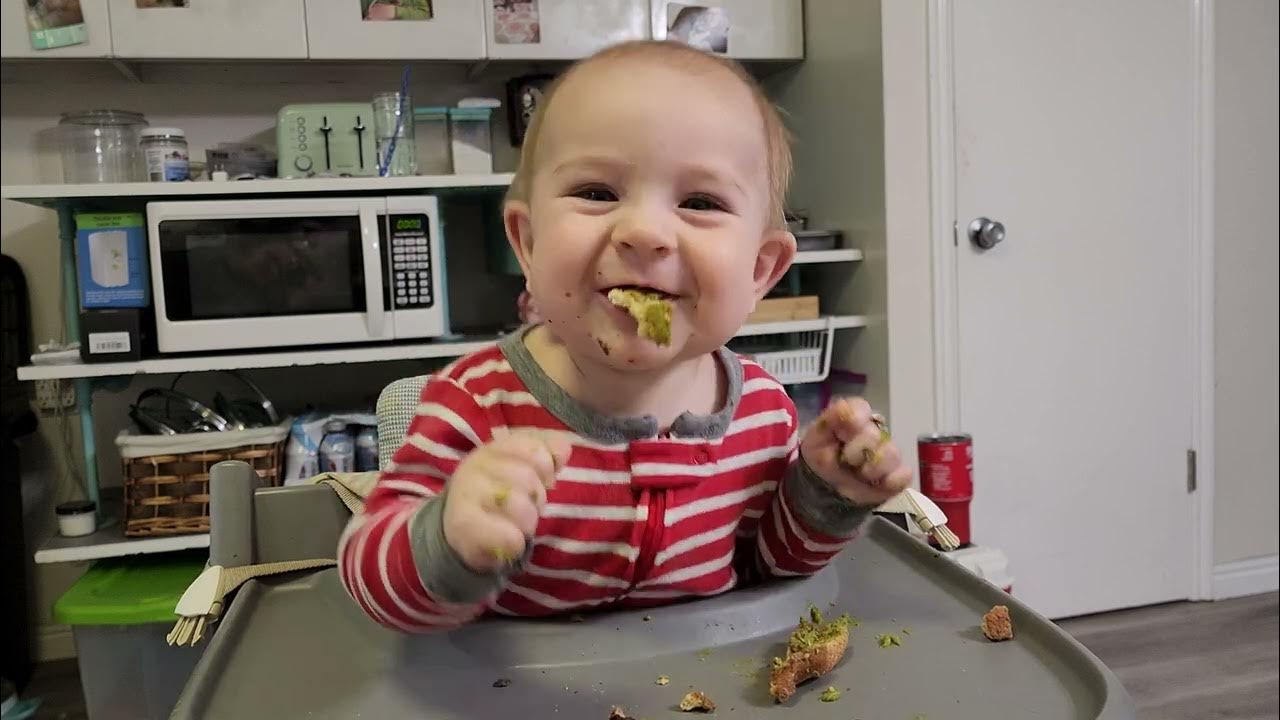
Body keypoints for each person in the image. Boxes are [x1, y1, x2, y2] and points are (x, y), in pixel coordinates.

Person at [338, 40, 912, 631]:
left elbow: (769, 566)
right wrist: (446, 542)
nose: (643, 232)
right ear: (528, 243)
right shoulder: (475, 408)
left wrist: (823, 497)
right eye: (597, 193)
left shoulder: (763, 415)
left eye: (700, 201)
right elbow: (367, 575)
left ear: (760, 270)